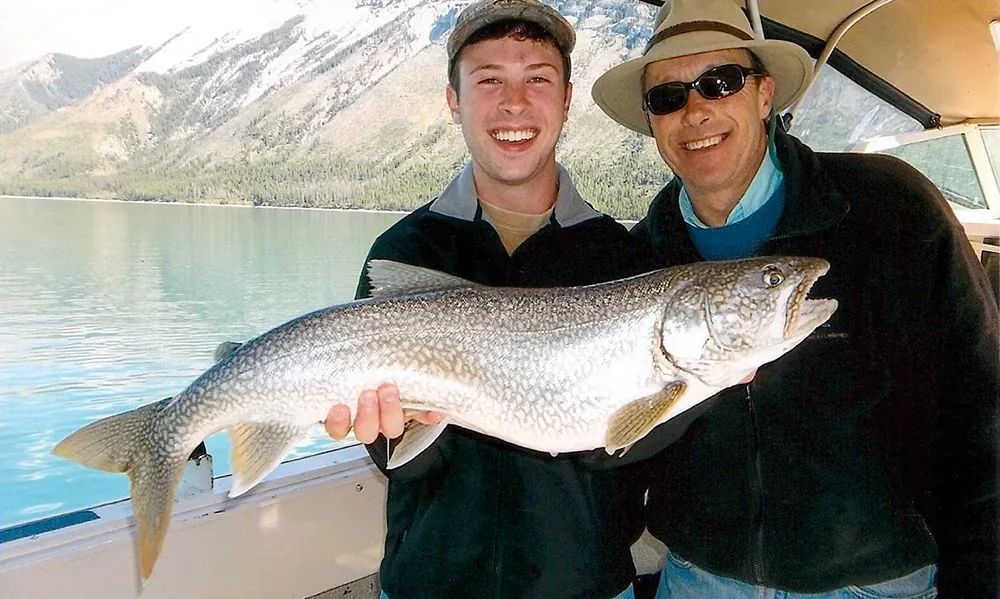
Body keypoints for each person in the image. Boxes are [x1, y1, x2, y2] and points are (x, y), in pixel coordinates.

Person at [591, 0, 1000, 597]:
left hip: (879, 582)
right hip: (700, 579)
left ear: (764, 96)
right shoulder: (633, 262)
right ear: (652, 122)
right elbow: (610, 445)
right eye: (668, 96)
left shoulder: (891, 209)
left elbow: (981, 411)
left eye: (720, 82)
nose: (697, 109)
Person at [322, 1, 677, 597]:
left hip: (584, 586)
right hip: (428, 585)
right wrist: (389, 435)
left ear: (566, 100)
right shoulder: (405, 250)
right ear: (453, 101)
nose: (514, 103)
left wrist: (697, 383)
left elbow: (624, 456)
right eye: (489, 81)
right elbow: (405, 462)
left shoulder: (623, 262)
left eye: (537, 78)